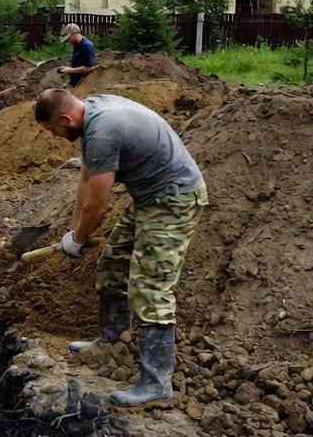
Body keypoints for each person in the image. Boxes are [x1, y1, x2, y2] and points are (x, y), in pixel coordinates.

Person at [32, 88, 208, 409]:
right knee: (113, 264)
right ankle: (111, 341)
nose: (55, 136)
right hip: (151, 197)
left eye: (52, 130)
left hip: (175, 199)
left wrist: (79, 237)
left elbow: (99, 206)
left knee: (151, 288)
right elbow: (86, 181)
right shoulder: (91, 114)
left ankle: (156, 384)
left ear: (65, 119)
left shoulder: (102, 131)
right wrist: (74, 231)